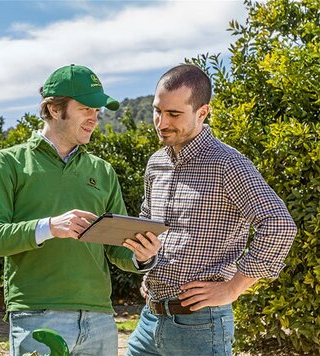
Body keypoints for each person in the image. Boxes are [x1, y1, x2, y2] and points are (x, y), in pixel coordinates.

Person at [0, 64, 161, 356]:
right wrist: (48, 227)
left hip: (99, 317)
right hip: (37, 313)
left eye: (97, 112)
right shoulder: (8, 163)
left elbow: (116, 250)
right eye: (86, 108)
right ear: (53, 109)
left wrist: (141, 256)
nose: (94, 119)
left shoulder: (103, 171)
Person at [126, 64, 297, 356]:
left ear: (202, 112)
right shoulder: (155, 164)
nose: (161, 122)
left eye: (174, 114)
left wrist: (234, 287)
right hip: (149, 320)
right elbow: (147, 226)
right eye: (158, 111)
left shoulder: (226, 163)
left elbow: (279, 224)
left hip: (200, 327)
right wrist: (144, 259)